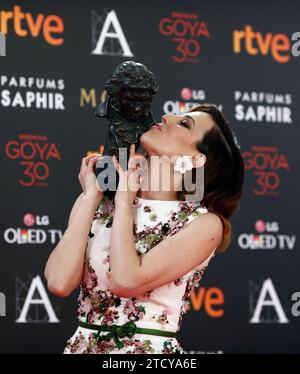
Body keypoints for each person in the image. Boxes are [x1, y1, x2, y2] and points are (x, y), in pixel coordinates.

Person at [44, 103, 244, 354]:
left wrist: (125, 203)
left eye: (184, 123)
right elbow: (59, 282)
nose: (167, 116)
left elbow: (126, 280)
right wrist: (90, 197)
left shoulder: (203, 223)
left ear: (195, 159)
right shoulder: (99, 198)